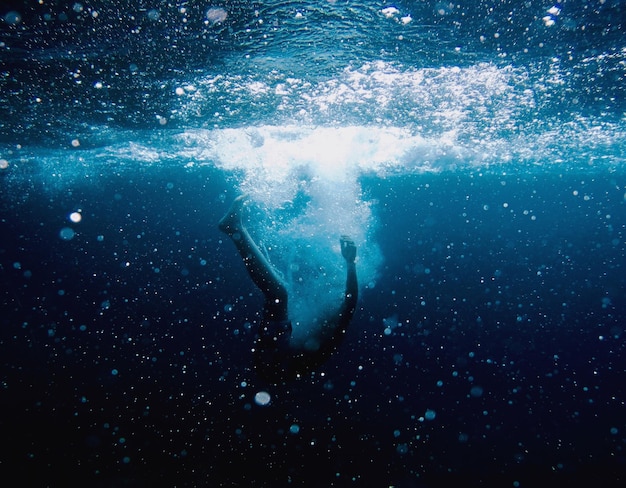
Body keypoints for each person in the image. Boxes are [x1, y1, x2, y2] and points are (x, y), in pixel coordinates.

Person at [218, 195, 358, 383]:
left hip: (276, 364)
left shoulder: (338, 324)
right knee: (279, 290)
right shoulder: (328, 326)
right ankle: (237, 230)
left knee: (278, 294)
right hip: (275, 366)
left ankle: (235, 229)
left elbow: (350, 301)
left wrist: (350, 262)